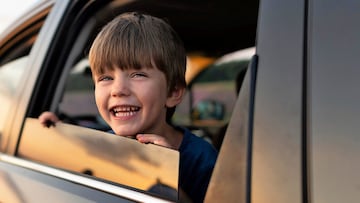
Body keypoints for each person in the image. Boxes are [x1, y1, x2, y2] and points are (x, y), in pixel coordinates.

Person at [39, 12, 217, 203]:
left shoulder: (203, 159)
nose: (118, 90)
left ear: (173, 92)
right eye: (106, 78)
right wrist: (58, 134)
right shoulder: (101, 143)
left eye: (138, 74)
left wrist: (168, 180)